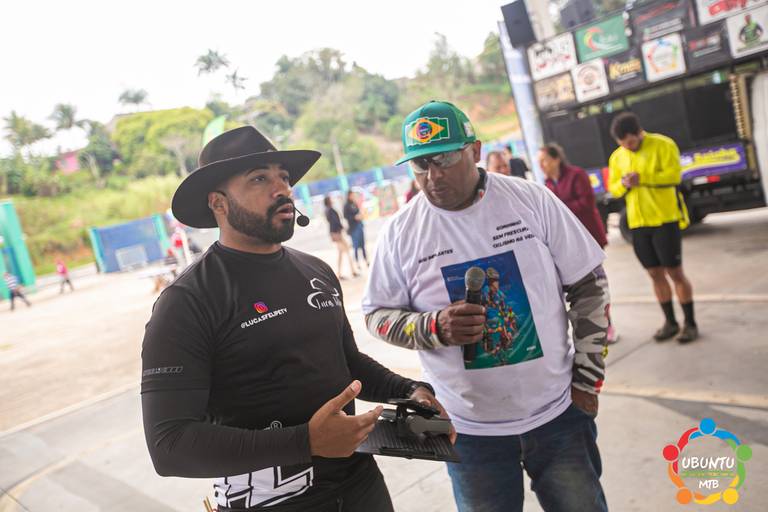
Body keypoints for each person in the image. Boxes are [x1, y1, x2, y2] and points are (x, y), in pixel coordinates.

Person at [141, 125, 450, 512]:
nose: (282, 190)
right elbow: (169, 446)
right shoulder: (187, 301)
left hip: (360, 486)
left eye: (284, 177)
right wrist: (306, 442)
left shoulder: (316, 272)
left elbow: (347, 363)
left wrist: (410, 390)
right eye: (259, 179)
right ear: (218, 203)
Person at [363, 101, 609, 512]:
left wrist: (588, 380)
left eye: (444, 158)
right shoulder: (401, 233)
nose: (433, 175)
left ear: (475, 151)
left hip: (558, 415)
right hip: (467, 431)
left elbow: (589, 285)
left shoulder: (529, 200)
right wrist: (433, 327)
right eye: (420, 164)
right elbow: (376, 315)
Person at [608, 112, 698, 343]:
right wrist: (624, 184)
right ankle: (670, 322)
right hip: (638, 224)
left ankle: (690, 324)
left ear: (639, 133)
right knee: (654, 274)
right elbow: (614, 188)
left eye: (631, 142)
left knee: (675, 273)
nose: (628, 147)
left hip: (664, 221)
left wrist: (643, 178)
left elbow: (674, 176)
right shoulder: (617, 157)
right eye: (623, 144)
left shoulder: (664, 145)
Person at [540, 143, 617, 343]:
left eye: (544, 160)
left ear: (556, 159)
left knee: (596, 285)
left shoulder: (576, 175)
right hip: (567, 243)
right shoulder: (547, 183)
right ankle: (598, 325)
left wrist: (557, 209)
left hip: (589, 236)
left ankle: (607, 325)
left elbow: (586, 203)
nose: (541, 165)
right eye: (540, 162)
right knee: (582, 290)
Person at [324, 195, 359, 279]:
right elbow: (335, 222)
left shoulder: (327, 210)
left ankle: (340, 273)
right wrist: (343, 228)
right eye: (331, 199)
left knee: (341, 253)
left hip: (334, 233)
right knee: (347, 251)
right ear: (328, 201)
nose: (332, 200)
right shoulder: (331, 210)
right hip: (337, 234)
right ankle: (352, 271)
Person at [343, 190, 368, 268]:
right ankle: (357, 263)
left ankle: (366, 260)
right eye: (352, 195)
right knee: (356, 246)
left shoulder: (354, 203)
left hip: (359, 226)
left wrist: (361, 215)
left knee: (362, 245)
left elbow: (359, 212)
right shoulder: (346, 206)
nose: (353, 196)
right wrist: (354, 217)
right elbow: (346, 216)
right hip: (353, 228)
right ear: (348, 196)